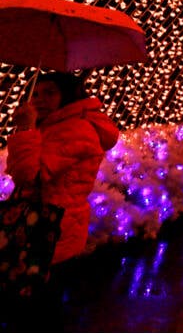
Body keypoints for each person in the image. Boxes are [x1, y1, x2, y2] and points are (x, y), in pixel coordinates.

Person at [6, 72, 119, 273]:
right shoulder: (54, 125)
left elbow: (29, 176)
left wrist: (25, 129)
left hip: (51, 229)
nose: (40, 100)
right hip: (42, 226)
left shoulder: (75, 129)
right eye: (37, 94)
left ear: (68, 96)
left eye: (49, 93)